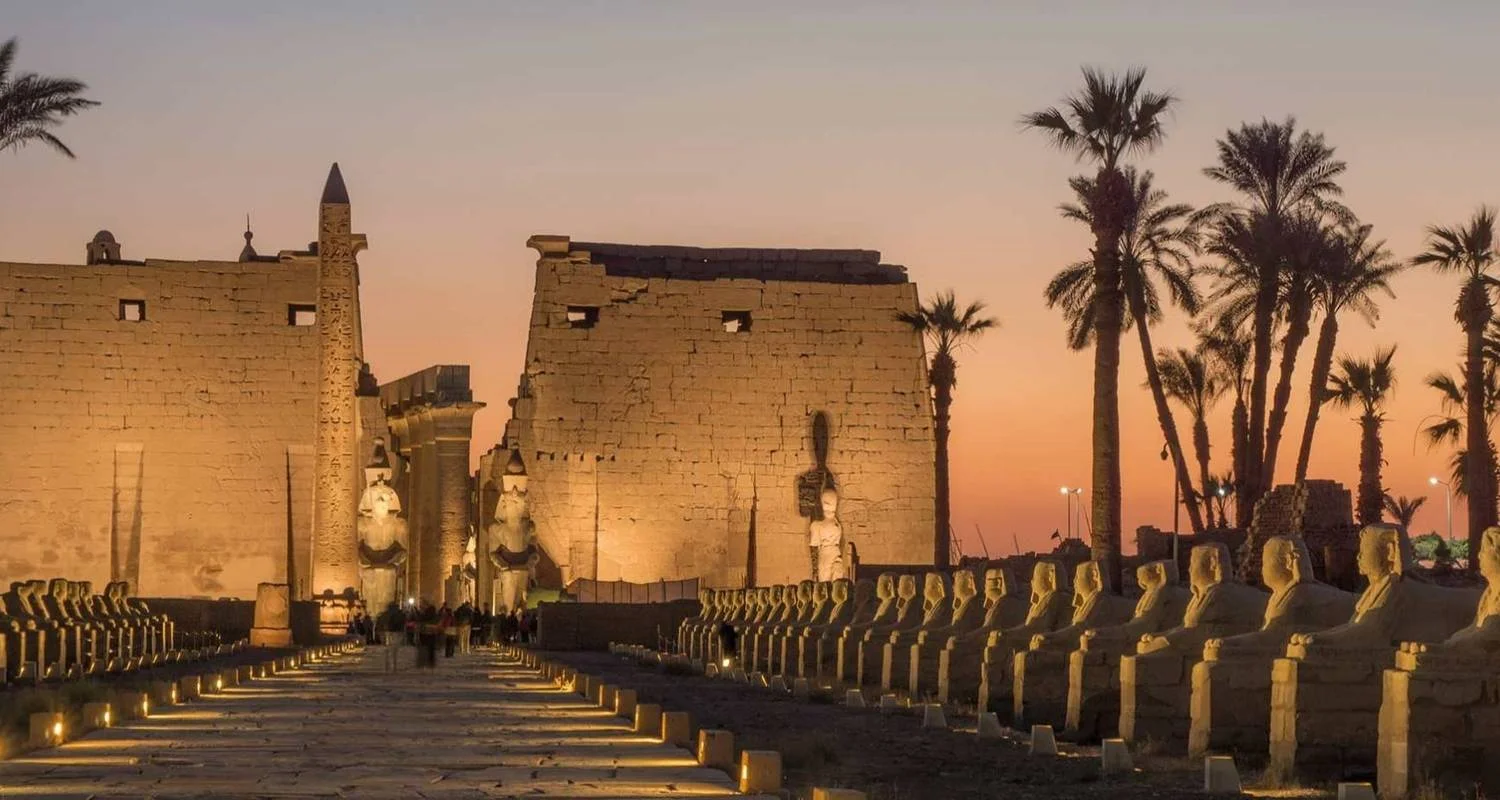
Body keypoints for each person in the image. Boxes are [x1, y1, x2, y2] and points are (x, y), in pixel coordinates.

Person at [379, 601, 406, 673]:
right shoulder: (400, 614)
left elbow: (381, 623)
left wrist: (381, 633)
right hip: (397, 633)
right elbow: (403, 622)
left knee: (388, 650)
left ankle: (387, 666)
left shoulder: (385, 614)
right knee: (394, 650)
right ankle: (394, 666)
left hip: (388, 632)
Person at [418, 602, 439, 668]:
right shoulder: (435, 616)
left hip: (424, 634)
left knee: (424, 648)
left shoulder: (424, 615)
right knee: (431, 649)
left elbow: (420, 623)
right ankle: (431, 662)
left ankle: (423, 662)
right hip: (432, 634)